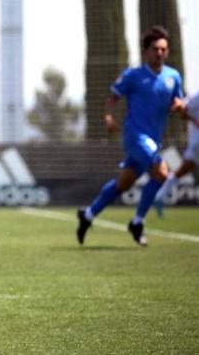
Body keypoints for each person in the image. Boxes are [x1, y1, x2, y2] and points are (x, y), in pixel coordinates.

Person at [76, 25, 185, 247]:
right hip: (135, 136)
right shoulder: (133, 76)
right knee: (161, 172)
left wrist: (180, 107)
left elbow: (179, 103)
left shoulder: (173, 77)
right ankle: (137, 221)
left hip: (154, 139)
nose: (160, 53)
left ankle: (87, 215)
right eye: (155, 49)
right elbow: (114, 96)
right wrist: (108, 116)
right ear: (146, 51)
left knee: (122, 184)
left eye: (164, 49)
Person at [152, 90, 199, 216]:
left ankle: (160, 196)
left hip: (195, 143)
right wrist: (192, 118)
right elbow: (181, 108)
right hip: (197, 142)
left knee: (184, 169)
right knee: (184, 169)